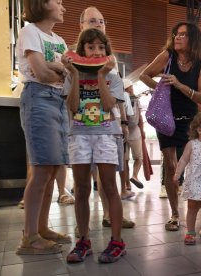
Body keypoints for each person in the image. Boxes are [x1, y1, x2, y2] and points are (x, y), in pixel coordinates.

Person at [62, 28, 126, 263]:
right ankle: (83, 241)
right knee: (81, 189)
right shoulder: (71, 76)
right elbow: (73, 105)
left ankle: (117, 241)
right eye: (90, 47)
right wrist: (75, 74)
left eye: (101, 47)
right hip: (78, 135)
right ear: (82, 50)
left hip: (106, 135)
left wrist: (101, 76)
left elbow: (109, 106)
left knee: (110, 188)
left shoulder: (114, 78)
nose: (96, 52)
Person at [140, 22, 201, 231]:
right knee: (171, 166)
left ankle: (196, 210)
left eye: (184, 35)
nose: (178, 38)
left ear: (193, 39)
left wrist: (179, 85)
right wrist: (162, 89)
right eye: (176, 34)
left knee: (193, 166)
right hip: (166, 119)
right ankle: (175, 214)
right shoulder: (167, 56)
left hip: (190, 122)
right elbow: (144, 75)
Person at [15, 0, 71, 255]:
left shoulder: (59, 40)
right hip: (38, 98)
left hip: (58, 102)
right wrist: (57, 69)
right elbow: (41, 74)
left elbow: (69, 74)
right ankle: (29, 236)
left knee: (51, 169)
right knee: (40, 170)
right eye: (57, 1)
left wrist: (56, 69)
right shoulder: (30, 31)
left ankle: (41, 228)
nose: (63, 6)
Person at [77, 6, 135, 229]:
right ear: (81, 25)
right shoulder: (75, 63)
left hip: (107, 128)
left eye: (101, 21)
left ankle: (111, 215)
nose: (98, 24)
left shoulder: (110, 68)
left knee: (108, 176)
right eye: (92, 21)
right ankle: (83, 225)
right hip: (81, 129)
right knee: (83, 182)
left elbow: (114, 102)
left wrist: (122, 123)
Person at [173, 110, 201, 245]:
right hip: (195, 181)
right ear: (199, 129)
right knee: (192, 207)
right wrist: (177, 174)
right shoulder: (192, 144)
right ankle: (190, 231)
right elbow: (183, 160)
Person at [122, 79, 146, 192]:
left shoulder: (120, 99)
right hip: (133, 130)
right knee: (138, 158)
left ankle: (128, 184)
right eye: (130, 87)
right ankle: (134, 176)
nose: (132, 89)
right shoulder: (135, 100)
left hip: (123, 130)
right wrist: (142, 130)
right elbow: (140, 117)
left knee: (125, 160)